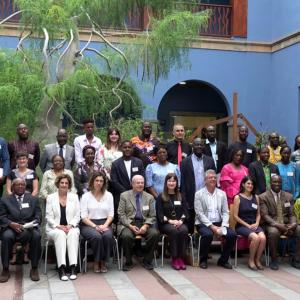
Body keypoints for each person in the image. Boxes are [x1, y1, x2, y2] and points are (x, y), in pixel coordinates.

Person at [0, 178, 41, 283]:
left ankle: (34, 268)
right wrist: (10, 224)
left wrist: (32, 224)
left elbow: (38, 215)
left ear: (25, 186)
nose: (20, 186)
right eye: (17, 185)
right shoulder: (5, 200)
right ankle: (5, 269)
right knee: (6, 237)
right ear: (13, 187)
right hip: (12, 228)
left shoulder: (33, 199)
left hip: (29, 228)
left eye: (22, 185)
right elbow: (2, 217)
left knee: (36, 236)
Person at [194, 169, 236, 269]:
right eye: (210, 177)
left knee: (232, 235)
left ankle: (223, 260)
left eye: (214, 177)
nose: (213, 179)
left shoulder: (222, 194)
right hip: (203, 223)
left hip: (220, 222)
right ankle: (203, 259)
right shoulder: (198, 194)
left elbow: (226, 212)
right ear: (205, 180)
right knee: (208, 234)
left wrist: (224, 225)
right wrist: (212, 227)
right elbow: (199, 214)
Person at [117, 175, 159, 271]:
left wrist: (146, 225)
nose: (140, 185)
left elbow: (152, 215)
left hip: (144, 223)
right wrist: (131, 226)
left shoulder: (149, 197)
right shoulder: (124, 195)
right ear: (132, 184)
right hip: (128, 224)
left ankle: (147, 260)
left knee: (155, 234)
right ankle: (128, 261)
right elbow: (121, 214)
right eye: (138, 183)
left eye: (142, 183)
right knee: (126, 236)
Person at [259, 175, 300, 270]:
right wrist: (278, 225)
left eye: (279, 182)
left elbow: (292, 214)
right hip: (272, 224)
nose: (277, 184)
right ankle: (274, 260)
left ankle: (296, 259)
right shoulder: (263, 197)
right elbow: (265, 216)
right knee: (273, 233)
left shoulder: (289, 196)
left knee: (299, 229)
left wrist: (293, 224)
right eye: (275, 182)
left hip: (287, 223)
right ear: (270, 183)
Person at [46, 174, 80, 280]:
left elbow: (77, 215)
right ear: (58, 184)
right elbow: (48, 216)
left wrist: (70, 225)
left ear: (69, 185)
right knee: (60, 234)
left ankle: (73, 267)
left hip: (71, 227)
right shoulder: (51, 198)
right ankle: (61, 268)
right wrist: (58, 226)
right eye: (62, 183)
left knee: (73, 233)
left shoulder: (74, 197)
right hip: (54, 228)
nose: (64, 185)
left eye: (66, 183)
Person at [80, 172, 114, 273]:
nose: (99, 183)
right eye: (97, 181)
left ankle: (103, 261)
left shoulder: (109, 195)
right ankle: (96, 261)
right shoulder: (86, 196)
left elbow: (111, 214)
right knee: (97, 236)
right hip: (89, 224)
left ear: (104, 183)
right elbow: (83, 217)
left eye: (101, 181)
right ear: (92, 182)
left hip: (105, 222)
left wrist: (105, 225)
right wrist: (95, 226)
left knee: (107, 236)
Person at [181, 137, 216, 233]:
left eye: (201, 144)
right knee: (190, 223)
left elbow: (213, 179)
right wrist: (184, 199)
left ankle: (202, 242)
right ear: (193, 146)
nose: (199, 146)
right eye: (197, 144)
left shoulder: (210, 160)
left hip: (206, 196)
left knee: (205, 223)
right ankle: (190, 243)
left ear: (204, 146)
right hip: (191, 197)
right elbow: (182, 182)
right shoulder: (185, 162)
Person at [156, 173, 189, 270]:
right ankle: (174, 258)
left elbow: (185, 212)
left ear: (176, 183)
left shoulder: (180, 196)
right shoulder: (161, 197)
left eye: (173, 181)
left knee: (183, 230)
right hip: (166, 224)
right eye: (169, 181)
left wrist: (181, 221)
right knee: (174, 231)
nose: (171, 183)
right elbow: (160, 214)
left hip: (179, 222)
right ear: (166, 183)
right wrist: (171, 221)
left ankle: (181, 258)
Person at [233, 176, 266, 270]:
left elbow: (258, 214)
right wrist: (247, 225)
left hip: (254, 225)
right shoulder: (237, 197)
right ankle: (251, 260)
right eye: (248, 183)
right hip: (242, 225)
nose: (250, 185)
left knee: (263, 238)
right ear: (243, 184)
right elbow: (235, 216)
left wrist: (256, 223)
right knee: (255, 238)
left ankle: (257, 260)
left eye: (252, 184)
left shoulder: (256, 197)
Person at [110, 141, 144, 219]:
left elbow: (142, 177)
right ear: (121, 149)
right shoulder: (116, 164)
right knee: (123, 217)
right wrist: (126, 193)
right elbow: (114, 181)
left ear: (132, 149)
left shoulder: (139, 162)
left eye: (129, 147)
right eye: (125, 147)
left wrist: (135, 190)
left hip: (137, 194)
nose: (127, 149)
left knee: (137, 216)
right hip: (121, 195)